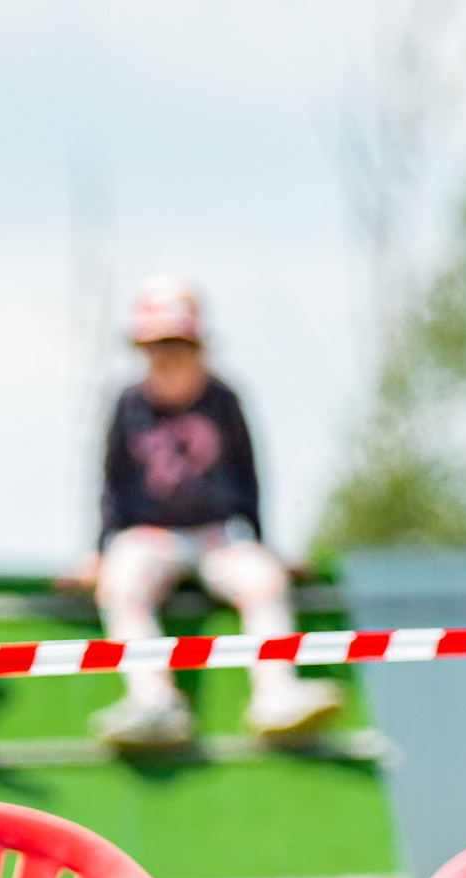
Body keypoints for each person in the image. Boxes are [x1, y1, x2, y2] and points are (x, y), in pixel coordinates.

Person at [73, 277, 340, 751]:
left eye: (179, 347)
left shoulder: (225, 400)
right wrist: (99, 551)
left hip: (218, 534)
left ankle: (276, 694)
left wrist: (262, 542)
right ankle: (153, 699)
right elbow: (110, 485)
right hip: (149, 534)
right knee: (123, 581)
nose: (169, 359)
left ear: (199, 349)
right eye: (159, 349)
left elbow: (249, 478)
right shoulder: (127, 404)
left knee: (263, 581)